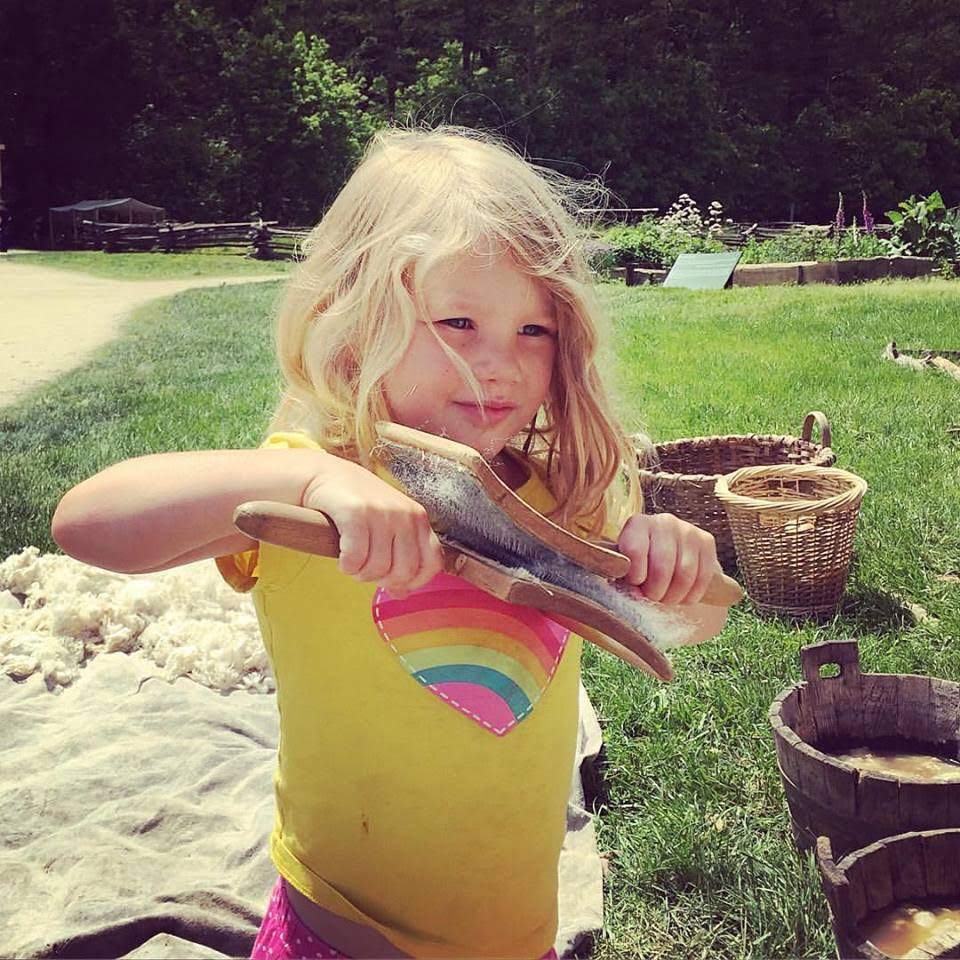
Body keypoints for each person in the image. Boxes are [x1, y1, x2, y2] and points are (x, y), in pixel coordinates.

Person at [51, 125, 730, 960]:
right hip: (340, 935)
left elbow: (695, 624)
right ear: (358, 320)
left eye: (534, 331)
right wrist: (310, 486)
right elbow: (86, 523)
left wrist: (669, 560)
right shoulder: (314, 482)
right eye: (458, 322)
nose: (500, 365)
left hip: (518, 938)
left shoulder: (560, 497)